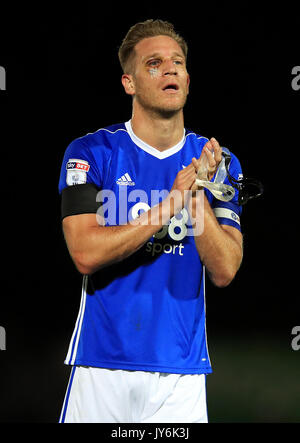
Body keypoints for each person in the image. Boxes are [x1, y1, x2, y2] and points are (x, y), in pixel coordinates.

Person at [58, 19, 243, 423]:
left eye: (177, 62)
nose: (170, 69)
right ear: (130, 83)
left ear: (189, 81)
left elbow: (226, 269)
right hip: (99, 369)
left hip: (181, 377)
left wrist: (195, 199)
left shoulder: (217, 162)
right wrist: (168, 203)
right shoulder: (91, 152)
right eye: (155, 63)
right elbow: (85, 253)